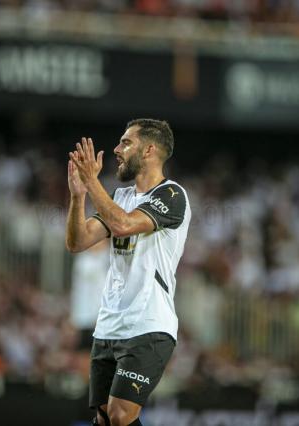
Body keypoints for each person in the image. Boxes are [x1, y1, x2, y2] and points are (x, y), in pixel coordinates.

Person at [65, 119, 191, 426]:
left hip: (148, 323)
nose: (118, 150)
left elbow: (123, 224)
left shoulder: (172, 195)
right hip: (109, 324)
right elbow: (78, 241)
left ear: (148, 150)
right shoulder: (120, 197)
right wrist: (78, 195)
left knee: (121, 415)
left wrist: (93, 182)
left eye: (126, 143)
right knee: (105, 418)